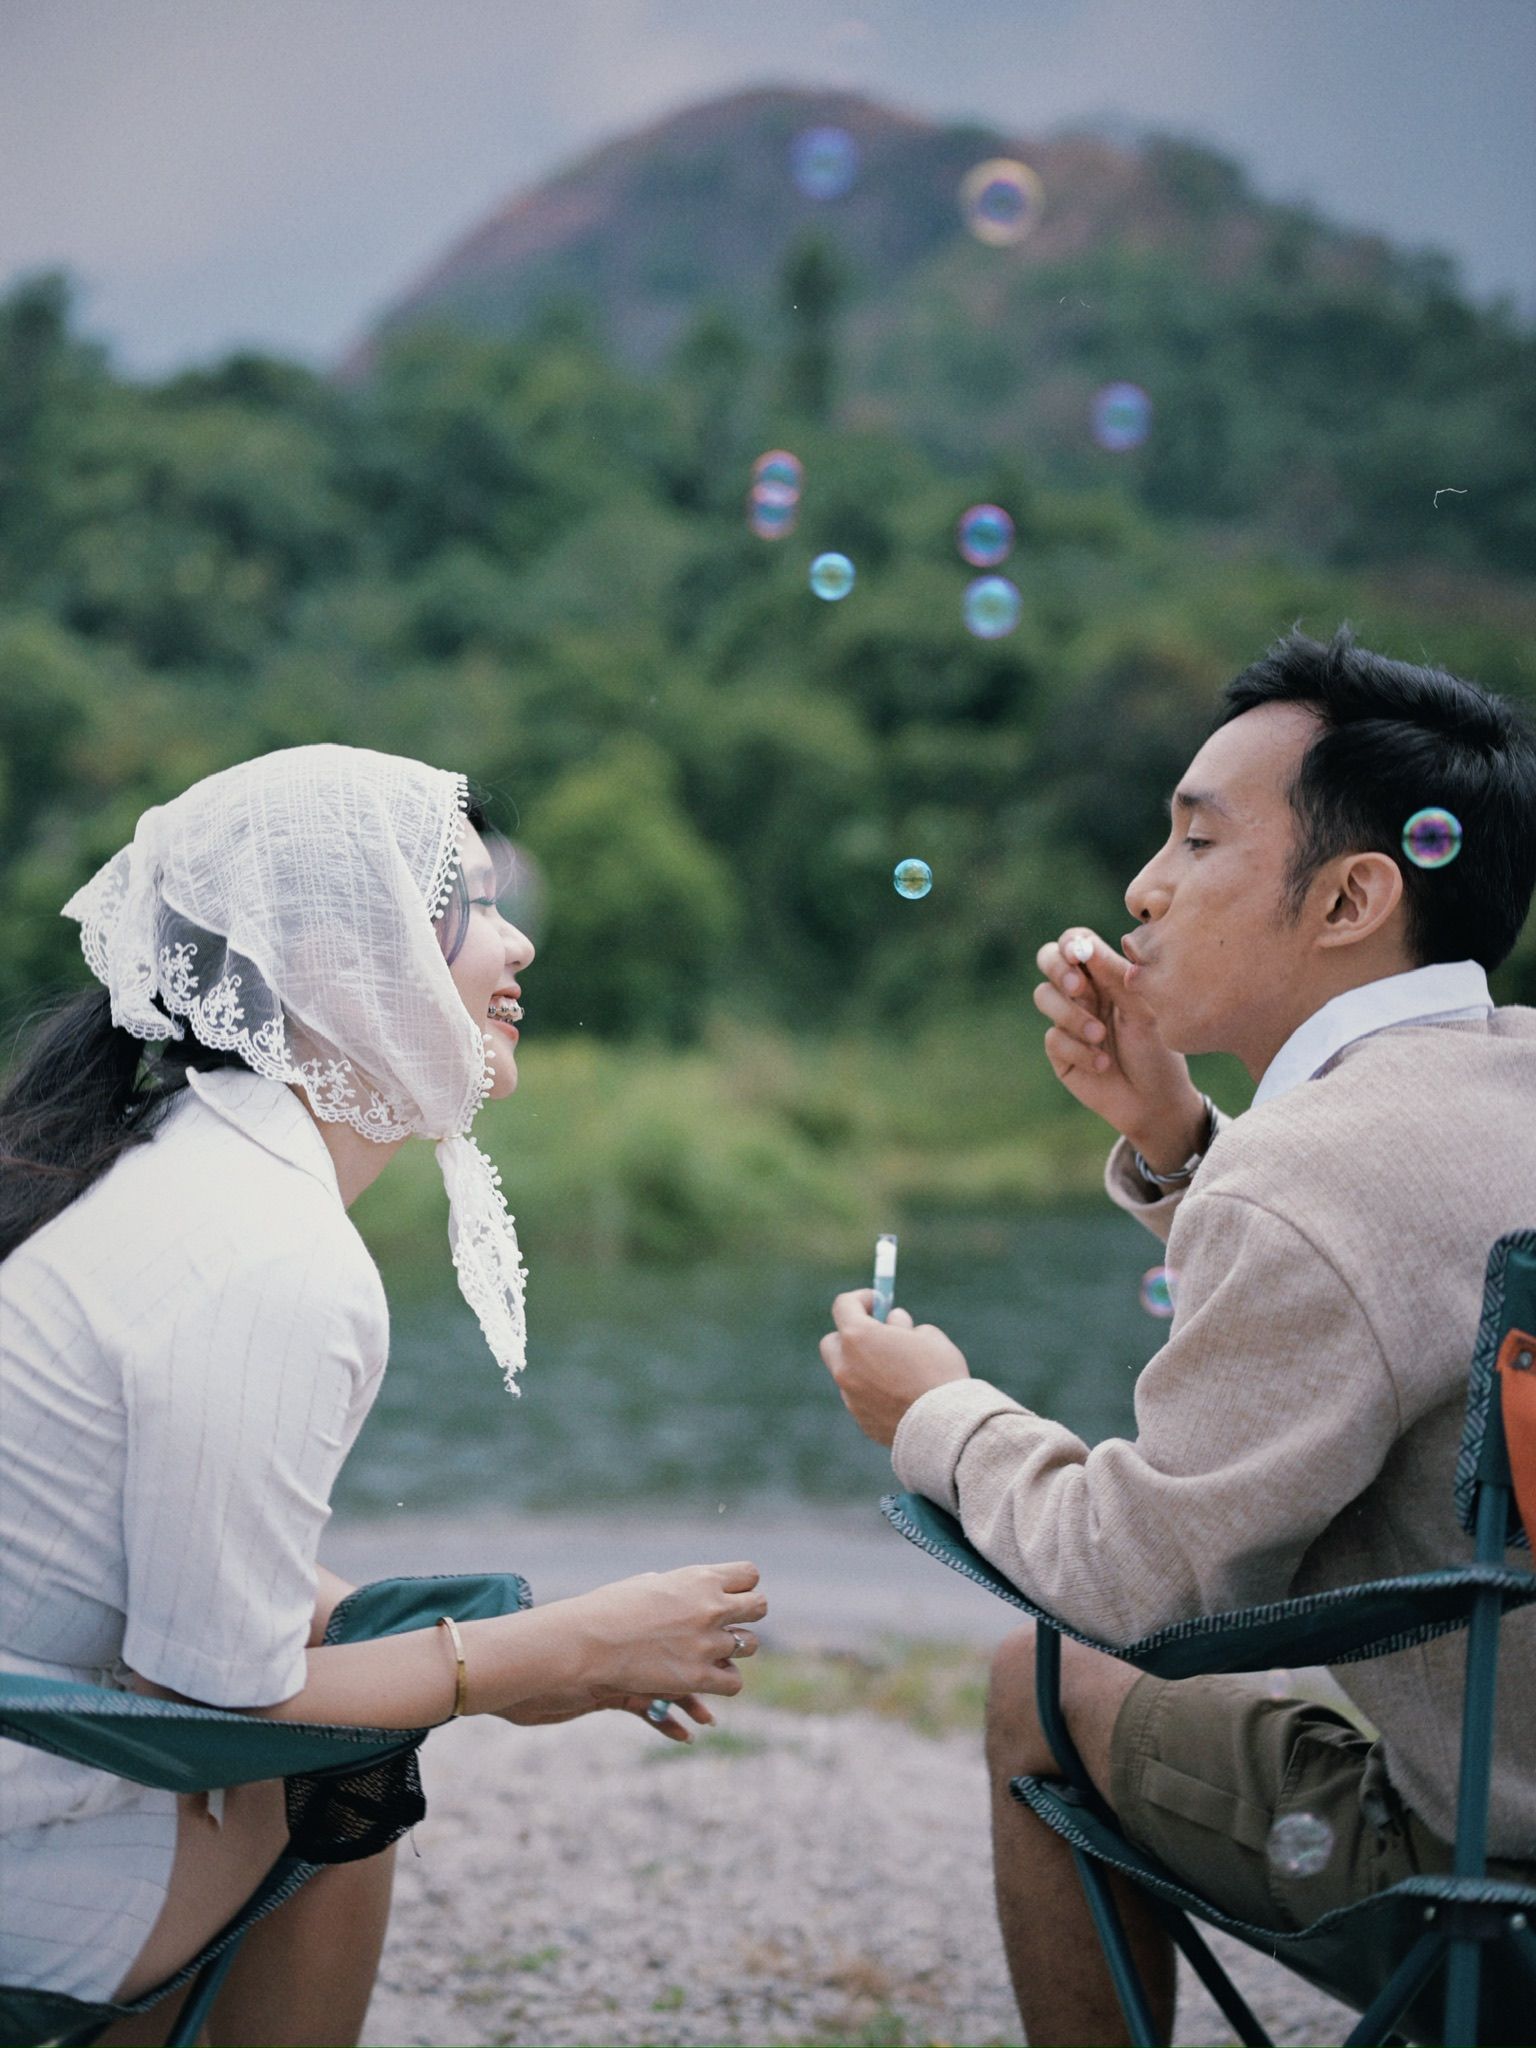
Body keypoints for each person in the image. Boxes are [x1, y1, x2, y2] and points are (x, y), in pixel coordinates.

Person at [818, 627, 1536, 2044]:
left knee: (1040, 1684)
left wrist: (937, 1415)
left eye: (1198, 841)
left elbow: (1139, 1587)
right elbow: (1388, 1281)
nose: (1144, 887)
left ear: (1353, 896)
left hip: (1495, 1877)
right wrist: (1181, 1139)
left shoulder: (1304, 1177)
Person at [0, 744, 767, 2048]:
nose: (519, 944)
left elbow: (136, 1544)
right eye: (473, 907)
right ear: (339, 961)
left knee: (358, 1699)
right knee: (346, 1759)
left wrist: (442, 1631)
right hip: (24, 1822)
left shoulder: (178, 1159)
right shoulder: (274, 1256)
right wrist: (552, 1653)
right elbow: (222, 1699)